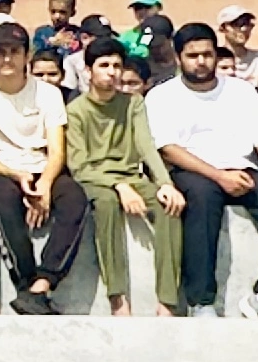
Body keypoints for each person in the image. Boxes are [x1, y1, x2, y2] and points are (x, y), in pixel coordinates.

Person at [149, 22, 258, 317]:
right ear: (178, 57)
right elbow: (168, 148)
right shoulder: (162, 95)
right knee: (202, 199)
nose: (201, 61)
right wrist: (219, 176)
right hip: (193, 171)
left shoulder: (240, 91)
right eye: (192, 55)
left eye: (207, 54)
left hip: (241, 167)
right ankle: (201, 302)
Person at [0, 21, 86, 316]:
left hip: (44, 166)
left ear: (26, 55)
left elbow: (57, 150)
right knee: (3, 202)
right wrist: (17, 176)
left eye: (14, 51)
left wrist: (44, 184)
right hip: (3, 169)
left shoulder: (48, 94)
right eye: (0, 52)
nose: (7, 59)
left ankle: (42, 285)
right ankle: (26, 283)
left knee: (75, 199)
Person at [69, 39, 184, 316]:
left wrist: (165, 184)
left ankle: (167, 300)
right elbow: (79, 166)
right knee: (107, 204)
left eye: (116, 66)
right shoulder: (76, 110)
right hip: (95, 179)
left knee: (169, 208)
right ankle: (118, 297)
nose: (112, 72)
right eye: (104, 65)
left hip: (132, 177)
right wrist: (119, 186)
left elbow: (146, 145)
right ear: (88, 71)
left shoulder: (133, 103)